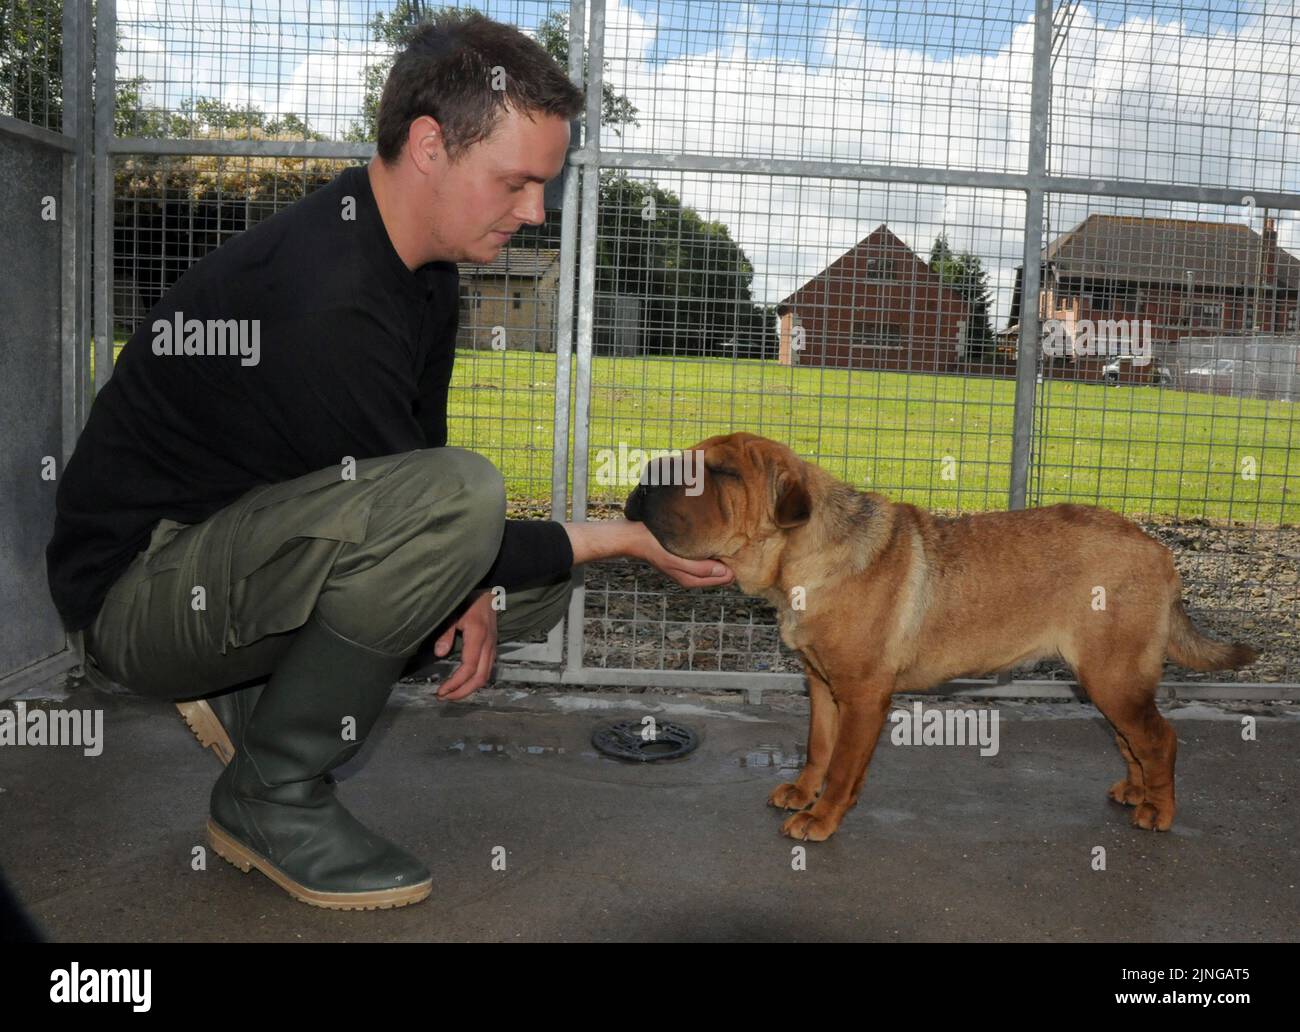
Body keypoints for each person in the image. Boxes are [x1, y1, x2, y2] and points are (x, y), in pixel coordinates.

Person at [45, 10, 733, 912]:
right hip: (136, 596)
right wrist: (625, 539)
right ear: (429, 144)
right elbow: (436, 507)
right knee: (474, 519)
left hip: (224, 549)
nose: (533, 213)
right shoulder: (327, 296)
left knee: (522, 582)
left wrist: (473, 581)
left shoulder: (423, 265)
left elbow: (412, 462)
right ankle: (270, 793)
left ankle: (255, 699)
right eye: (518, 182)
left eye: (546, 188)